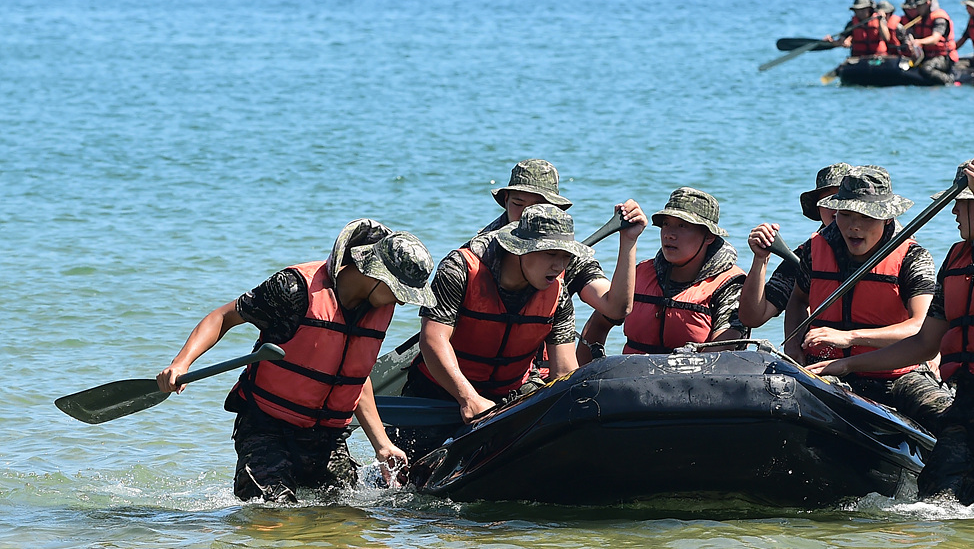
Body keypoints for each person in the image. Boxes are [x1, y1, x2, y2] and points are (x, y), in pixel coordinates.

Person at [808, 154, 974, 516]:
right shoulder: (958, 259)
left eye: (960, 204)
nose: (952, 213)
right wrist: (847, 364)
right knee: (935, 509)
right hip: (965, 404)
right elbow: (923, 344)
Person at [155, 220, 436, 503]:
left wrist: (382, 445)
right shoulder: (294, 289)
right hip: (267, 428)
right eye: (399, 292)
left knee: (348, 524)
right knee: (274, 517)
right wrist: (181, 362)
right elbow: (223, 317)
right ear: (375, 274)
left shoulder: (377, 308)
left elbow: (353, 377)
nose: (400, 303)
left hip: (327, 438)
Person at [777, 166, 951, 432]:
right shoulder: (815, 248)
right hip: (824, 369)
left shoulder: (912, 257)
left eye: (866, 217)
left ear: (886, 218)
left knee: (947, 418)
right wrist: (793, 345)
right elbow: (798, 300)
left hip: (896, 375)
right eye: (845, 215)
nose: (854, 226)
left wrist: (849, 338)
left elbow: (919, 326)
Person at [409, 203, 593, 422]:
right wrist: (469, 399)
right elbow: (432, 339)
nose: (559, 265)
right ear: (520, 248)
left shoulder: (558, 293)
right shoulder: (459, 270)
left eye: (566, 256)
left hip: (510, 397)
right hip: (438, 393)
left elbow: (563, 372)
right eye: (551, 253)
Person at [471, 159, 647, 364]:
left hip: (538, 375)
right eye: (519, 204)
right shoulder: (478, 253)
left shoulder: (564, 257)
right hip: (474, 372)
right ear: (506, 200)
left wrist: (628, 241)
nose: (527, 214)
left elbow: (615, 307)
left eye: (539, 207)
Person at [622, 187, 748, 354]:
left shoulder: (730, 286)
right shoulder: (640, 273)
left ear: (709, 236)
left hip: (699, 379)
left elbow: (721, 353)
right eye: (666, 224)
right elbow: (597, 327)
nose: (669, 235)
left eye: (683, 225)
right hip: (632, 377)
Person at [740, 162, 853, 337]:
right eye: (828, 200)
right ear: (818, 207)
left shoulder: (893, 251)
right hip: (819, 358)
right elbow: (754, 317)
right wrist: (760, 260)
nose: (837, 209)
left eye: (844, 199)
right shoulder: (806, 257)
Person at [907, 0, 959, 85]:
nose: (917, 9)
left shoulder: (939, 18)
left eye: (919, 6)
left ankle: (950, 81)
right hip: (927, 56)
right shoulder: (921, 19)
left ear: (927, 3)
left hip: (943, 57)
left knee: (927, 69)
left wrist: (919, 42)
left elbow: (935, 39)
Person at [827, 0, 891, 58]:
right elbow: (841, 40)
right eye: (857, 10)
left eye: (863, 10)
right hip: (859, 58)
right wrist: (832, 42)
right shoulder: (852, 23)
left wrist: (881, 21)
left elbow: (886, 38)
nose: (860, 13)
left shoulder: (878, 20)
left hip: (878, 57)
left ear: (869, 9)